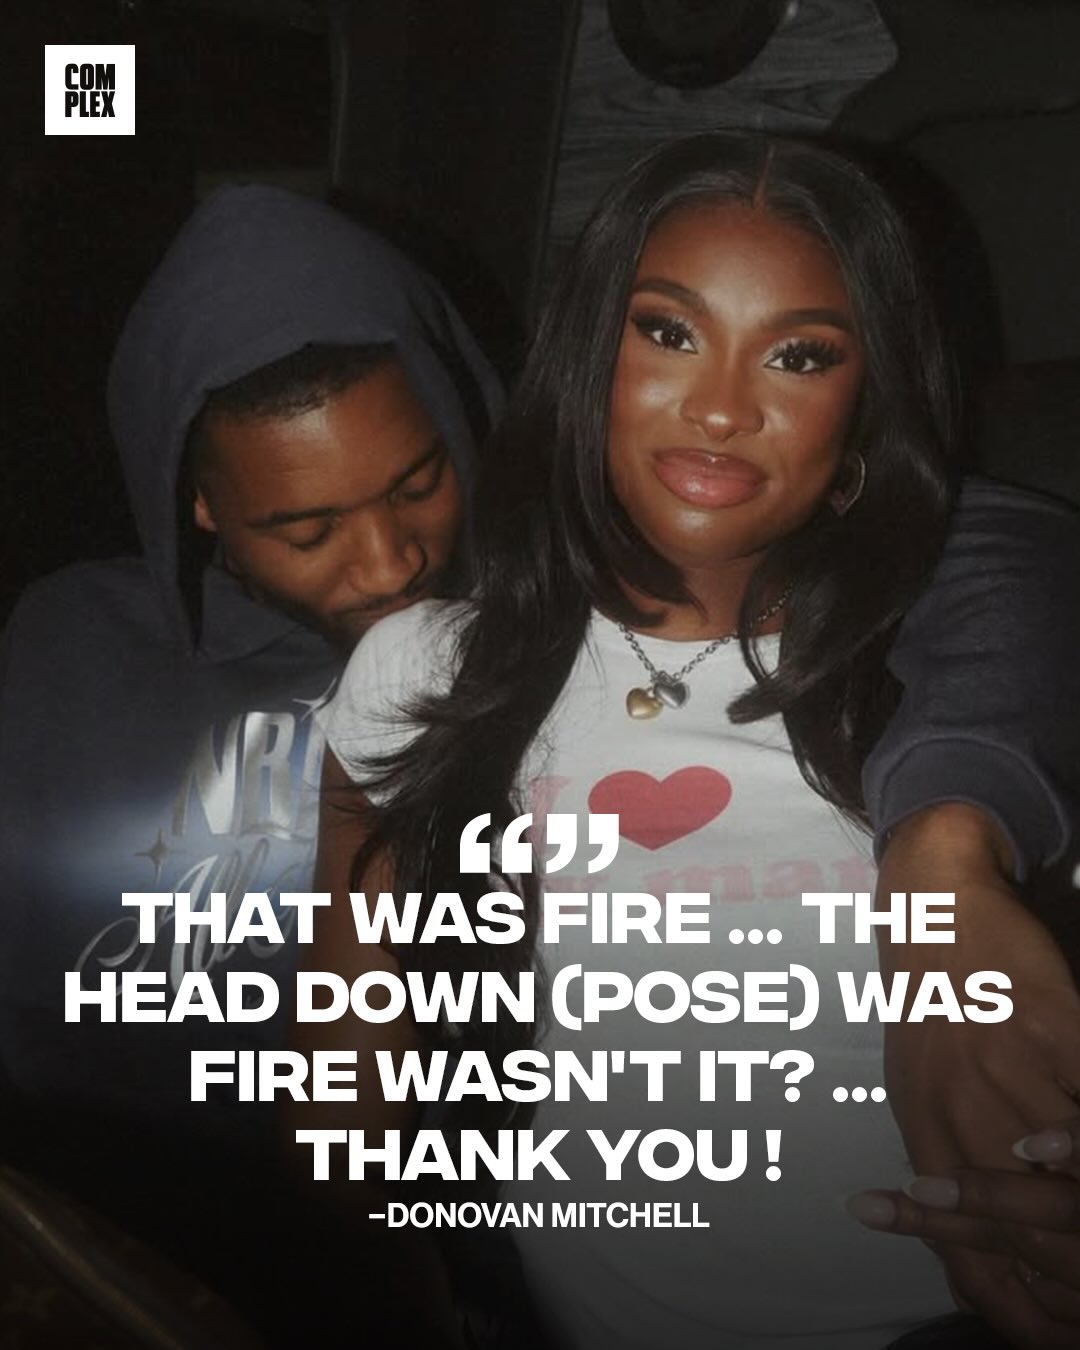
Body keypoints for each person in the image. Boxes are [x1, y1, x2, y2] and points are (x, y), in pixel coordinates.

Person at [306, 132, 1080, 1350]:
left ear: (865, 403)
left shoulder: (958, 686)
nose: (721, 405)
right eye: (668, 332)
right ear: (591, 360)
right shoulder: (432, 667)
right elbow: (348, 1046)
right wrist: (365, 1266)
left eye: (800, 354)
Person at [0, 182, 500, 1344]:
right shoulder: (67, 643)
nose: (387, 563)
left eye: (419, 484)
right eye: (306, 530)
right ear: (201, 504)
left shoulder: (547, 651)